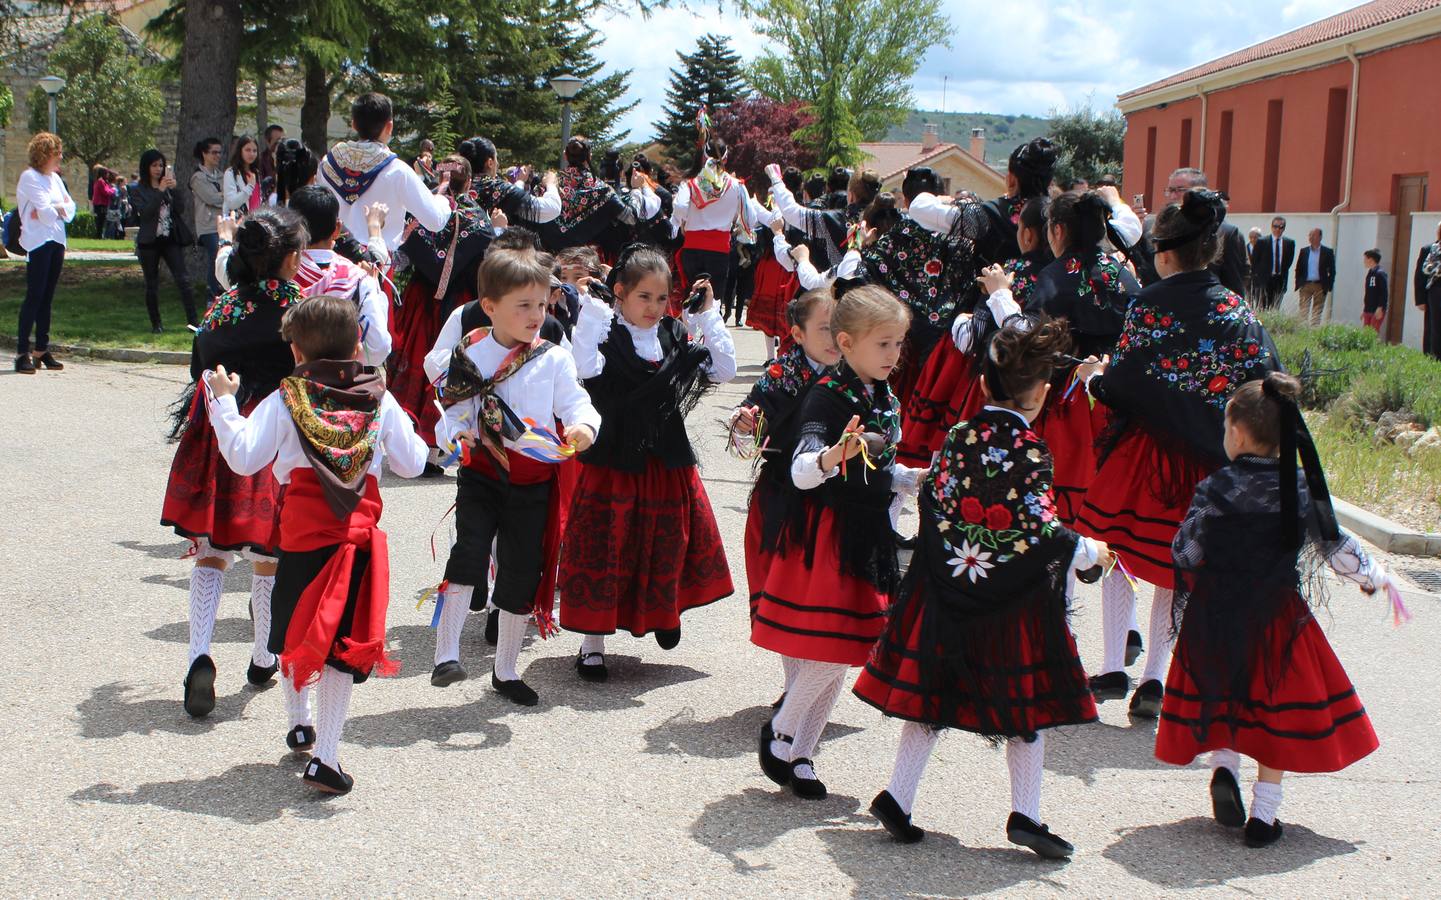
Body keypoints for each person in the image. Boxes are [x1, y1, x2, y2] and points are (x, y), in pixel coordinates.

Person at [855, 316, 1111, 859]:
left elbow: (935, 506)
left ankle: (898, 797)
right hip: (1008, 606)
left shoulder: (957, 437)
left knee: (932, 698)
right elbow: (1039, 531)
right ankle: (1026, 813)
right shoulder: (1031, 449)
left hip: (948, 591)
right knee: (1026, 708)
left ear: (982, 386)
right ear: (1041, 394)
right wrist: (1089, 550)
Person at [1158, 371, 1397, 848]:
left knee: (1221, 689)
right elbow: (1334, 544)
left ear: (1239, 433)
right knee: (1274, 709)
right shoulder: (1299, 488)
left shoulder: (1215, 488)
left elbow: (1184, 552)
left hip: (1217, 612)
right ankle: (1265, 815)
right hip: (1278, 615)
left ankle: (1224, 765)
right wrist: (1375, 578)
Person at [203, 294, 428, 794]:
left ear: (298, 352)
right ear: (357, 347)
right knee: (341, 648)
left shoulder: (288, 396)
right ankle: (325, 755)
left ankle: (297, 720)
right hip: (356, 535)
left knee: (296, 631)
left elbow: (243, 457)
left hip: (302, 535)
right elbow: (413, 463)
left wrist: (222, 402)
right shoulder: (380, 396)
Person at [1075, 189, 1281, 718]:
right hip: (1206, 463)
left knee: (1117, 550)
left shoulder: (1149, 304)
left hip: (1144, 455)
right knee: (1177, 566)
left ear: (1163, 253)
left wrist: (1095, 381)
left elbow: (1121, 381)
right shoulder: (1239, 313)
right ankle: (1153, 679)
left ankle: (1112, 668)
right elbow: (1260, 386)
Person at [750, 284, 922, 799]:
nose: (894, 355)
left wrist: (912, 478)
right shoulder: (827, 395)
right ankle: (782, 729)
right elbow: (804, 471)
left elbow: (878, 468)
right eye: (884, 344)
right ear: (846, 343)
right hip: (826, 536)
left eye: (898, 343)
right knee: (831, 648)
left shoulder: (883, 394)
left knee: (847, 650)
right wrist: (833, 456)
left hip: (867, 532)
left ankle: (802, 752)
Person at [430, 248, 602, 705]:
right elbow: (453, 407)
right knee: (468, 550)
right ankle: (446, 652)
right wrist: (456, 434)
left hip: (533, 479)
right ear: (490, 306)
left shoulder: (552, 357)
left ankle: (505, 671)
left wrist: (584, 426)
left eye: (542, 305)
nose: (535, 315)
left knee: (521, 571)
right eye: (523, 305)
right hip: (483, 472)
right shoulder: (469, 352)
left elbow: (574, 403)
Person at [560, 245, 736, 678]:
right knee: (608, 547)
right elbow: (582, 366)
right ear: (619, 292)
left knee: (667, 539)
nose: (655, 308)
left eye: (662, 298)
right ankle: (592, 645)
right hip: (613, 462)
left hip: (665, 459)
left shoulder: (673, 333)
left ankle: (663, 611)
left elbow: (724, 369)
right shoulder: (603, 332)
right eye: (644, 297)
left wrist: (708, 316)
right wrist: (593, 310)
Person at [160, 207, 308, 718]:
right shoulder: (298, 311)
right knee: (267, 556)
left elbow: (200, 375)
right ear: (289, 258)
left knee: (211, 552)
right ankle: (262, 654)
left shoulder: (218, 312)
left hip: (217, 433)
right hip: (271, 434)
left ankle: (199, 653)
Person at [1026, 190, 1139, 525]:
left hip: (1066, 403)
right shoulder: (1124, 276)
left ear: (1058, 230)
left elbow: (1033, 336)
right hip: (1116, 401)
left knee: (1056, 504)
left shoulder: (1054, 276)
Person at [731, 289, 840, 630]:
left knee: (825, 596)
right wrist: (744, 420)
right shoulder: (782, 371)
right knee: (783, 591)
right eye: (824, 328)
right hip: (784, 491)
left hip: (838, 493)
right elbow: (752, 410)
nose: (835, 336)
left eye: (840, 325)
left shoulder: (854, 372)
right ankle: (795, 677)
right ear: (797, 333)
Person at [391, 153, 498, 453]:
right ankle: (441, 443)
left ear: (441, 176)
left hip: (420, 300)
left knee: (422, 360)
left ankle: (413, 444)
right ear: (470, 179)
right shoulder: (478, 217)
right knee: (450, 363)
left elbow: (401, 255)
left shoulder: (425, 210)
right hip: (459, 303)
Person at [319, 92, 452, 257]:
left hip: (334, 261)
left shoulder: (328, 163)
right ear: (389, 126)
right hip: (376, 263)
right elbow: (435, 221)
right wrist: (442, 199)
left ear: (353, 124)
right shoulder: (397, 170)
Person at [285, 185, 391, 366]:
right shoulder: (359, 280)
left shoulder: (279, 273)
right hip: (340, 387)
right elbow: (378, 349)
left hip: (285, 385)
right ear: (337, 229)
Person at [672, 136, 769, 309]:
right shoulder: (736, 186)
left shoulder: (691, 184)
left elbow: (679, 206)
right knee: (713, 302)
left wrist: (683, 222)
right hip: (719, 251)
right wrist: (735, 222)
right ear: (725, 158)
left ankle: (690, 335)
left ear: (704, 156)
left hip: (692, 248)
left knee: (690, 299)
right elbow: (752, 219)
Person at [1135, 169, 1251, 298]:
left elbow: (1234, 282)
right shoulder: (1151, 227)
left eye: (1179, 190)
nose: (1173, 196)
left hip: (1207, 309)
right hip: (1157, 309)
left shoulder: (1225, 232)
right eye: (1170, 190)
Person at [14, 132, 75, 374]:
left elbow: (70, 210)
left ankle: (41, 348)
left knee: (47, 297)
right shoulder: (30, 178)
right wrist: (54, 210)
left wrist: (55, 209)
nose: (60, 157)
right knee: (34, 296)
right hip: (38, 241)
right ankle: (21, 352)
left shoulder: (55, 179)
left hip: (57, 239)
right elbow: (45, 212)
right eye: (56, 152)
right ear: (44, 154)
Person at [129, 148, 198, 333]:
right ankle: (156, 324)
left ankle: (193, 322)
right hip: (149, 241)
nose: (158, 169)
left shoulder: (168, 188)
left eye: (161, 165)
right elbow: (145, 214)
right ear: (146, 167)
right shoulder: (137, 189)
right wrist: (159, 191)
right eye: (154, 165)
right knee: (152, 283)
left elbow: (180, 209)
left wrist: (174, 190)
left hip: (169, 238)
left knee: (183, 279)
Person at [459, 135, 562, 226]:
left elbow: (510, 197)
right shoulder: (496, 188)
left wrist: (520, 181)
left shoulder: (454, 184)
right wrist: (550, 183)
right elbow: (551, 209)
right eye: (496, 158)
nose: (497, 164)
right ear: (490, 163)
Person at [190, 137, 227, 299]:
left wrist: (225, 196)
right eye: (213, 152)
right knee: (216, 257)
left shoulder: (223, 175)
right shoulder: (198, 177)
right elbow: (211, 198)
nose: (217, 156)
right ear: (204, 154)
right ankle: (211, 297)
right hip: (208, 227)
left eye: (219, 152)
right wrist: (225, 196)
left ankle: (225, 294)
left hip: (224, 225)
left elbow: (230, 197)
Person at [1295, 228, 1336, 327]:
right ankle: (1302, 332)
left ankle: (1313, 332)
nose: (1311, 238)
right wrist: (1299, 283)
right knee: (1303, 311)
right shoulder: (1304, 251)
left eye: (1314, 235)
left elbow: (1332, 271)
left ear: (1320, 237)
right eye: (1310, 235)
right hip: (1306, 285)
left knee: (1317, 312)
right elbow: (1298, 268)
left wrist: (1328, 286)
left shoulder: (1327, 252)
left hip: (1320, 286)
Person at [1414, 222, 1441, 357]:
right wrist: (1420, 300)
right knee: (1432, 327)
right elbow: (1420, 276)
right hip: (1434, 294)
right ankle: (1431, 356)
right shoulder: (1429, 249)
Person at [224, 135, 263, 216]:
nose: (251, 154)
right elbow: (232, 203)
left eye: (254, 150)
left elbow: (257, 200)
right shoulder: (231, 173)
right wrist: (249, 187)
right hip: (238, 224)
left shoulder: (256, 172)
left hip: (255, 222)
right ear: (240, 151)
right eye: (247, 150)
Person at [1361, 249, 1387, 334]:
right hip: (1368, 308)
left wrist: (1380, 308)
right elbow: (1369, 292)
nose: (1364, 261)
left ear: (1371, 260)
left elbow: (1384, 292)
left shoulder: (1380, 273)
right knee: (1365, 335)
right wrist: (1364, 310)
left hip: (1376, 309)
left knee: (1372, 334)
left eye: (1365, 259)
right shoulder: (1370, 273)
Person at [256, 123, 285, 198]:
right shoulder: (260, 161)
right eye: (278, 141)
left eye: (283, 140)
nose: (281, 144)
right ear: (268, 142)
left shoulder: (289, 160)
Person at [90, 165, 116, 238]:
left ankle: (100, 236)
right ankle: (98, 236)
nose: (108, 175)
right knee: (100, 222)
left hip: (102, 204)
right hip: (100, 204)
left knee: (101, 221)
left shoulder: (102, 181)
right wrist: (113, 190)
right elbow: (106, 192)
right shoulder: (101, 181)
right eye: (107, 173)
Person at [1245, 227, 1262, 306]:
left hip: (1259, 279)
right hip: (1247, 280)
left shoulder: (1264, 249)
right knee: (1248, 302)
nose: (1252, 239)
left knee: (1260, 302)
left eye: (1255, 237)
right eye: (1251, 237)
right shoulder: (1244, 248)